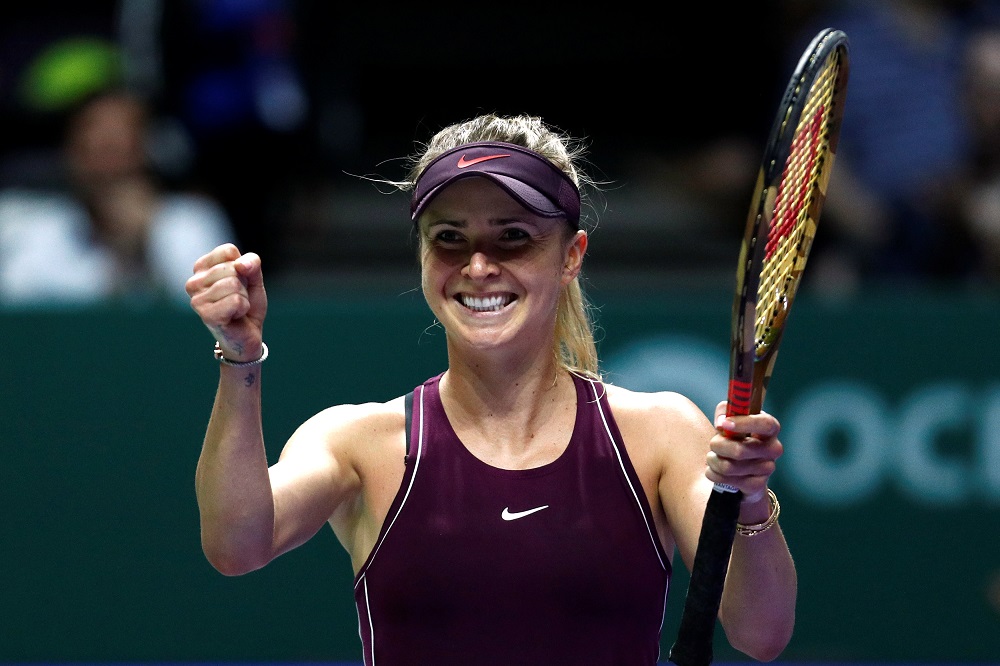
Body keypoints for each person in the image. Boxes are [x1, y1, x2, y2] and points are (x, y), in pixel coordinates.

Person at [185, 113, 797, 665]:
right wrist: (239, 358)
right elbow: (237, 546)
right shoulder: (356, 442)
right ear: (422, 258)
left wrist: (747, 505)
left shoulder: (660, 432)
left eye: (513, 237)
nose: (478, 267)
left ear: (570, 256)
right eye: (449, 238)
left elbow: (761, 633)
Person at [0, 88, 235, 305]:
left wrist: (139, 252)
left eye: (116, 150)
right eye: (92, 150)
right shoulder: (39, 230)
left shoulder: (190, 222)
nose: (106, 169)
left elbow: (216, 319)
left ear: (147, 153)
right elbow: (19, 318)